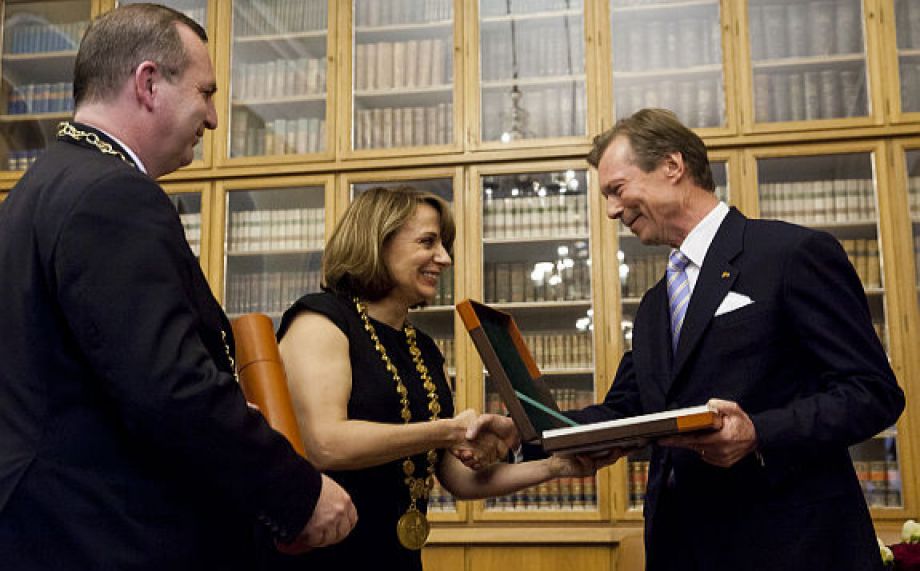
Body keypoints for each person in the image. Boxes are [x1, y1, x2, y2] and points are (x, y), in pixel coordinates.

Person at [0, 5, 355, 569]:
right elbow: (170, 387)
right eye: (206, 92)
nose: (213, 118)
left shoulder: (39, 189)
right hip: (107, 535)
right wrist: (296, 492)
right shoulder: (112, 194)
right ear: (147, 83)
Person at [473, 107, 906, 570]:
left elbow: (872, 393)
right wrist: (526, 433)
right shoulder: (657, 304)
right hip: (682, 549)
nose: (612, 211)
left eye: (617, 190)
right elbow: (623, 412)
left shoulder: (792, 254)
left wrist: (758, 432)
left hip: (792, 547)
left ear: (672, 167)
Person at [272, 185, 602, 570]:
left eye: (444, 245)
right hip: (323, 553)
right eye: (428, 242)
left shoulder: (424, 348)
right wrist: (448, 430)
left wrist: (556, 467)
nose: (444, 259)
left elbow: (459, 478)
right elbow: (324, 444)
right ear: (377, 243)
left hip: (397, 555)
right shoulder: (321, 320)